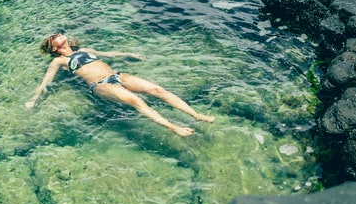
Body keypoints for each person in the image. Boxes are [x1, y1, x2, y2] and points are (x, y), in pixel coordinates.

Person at [25, 33, 214, 136]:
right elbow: (45, 83)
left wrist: (129, 55)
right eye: (54, 37)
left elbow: (109, 54)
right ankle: (174, 128)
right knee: (137, 101)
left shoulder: (84, 50)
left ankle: (196, 115)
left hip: (117, 76)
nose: (58, 34)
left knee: (157, 89)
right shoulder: (59, 62)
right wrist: (34, 100)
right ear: (55, 48)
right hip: (100, 85)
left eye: (58, 34)